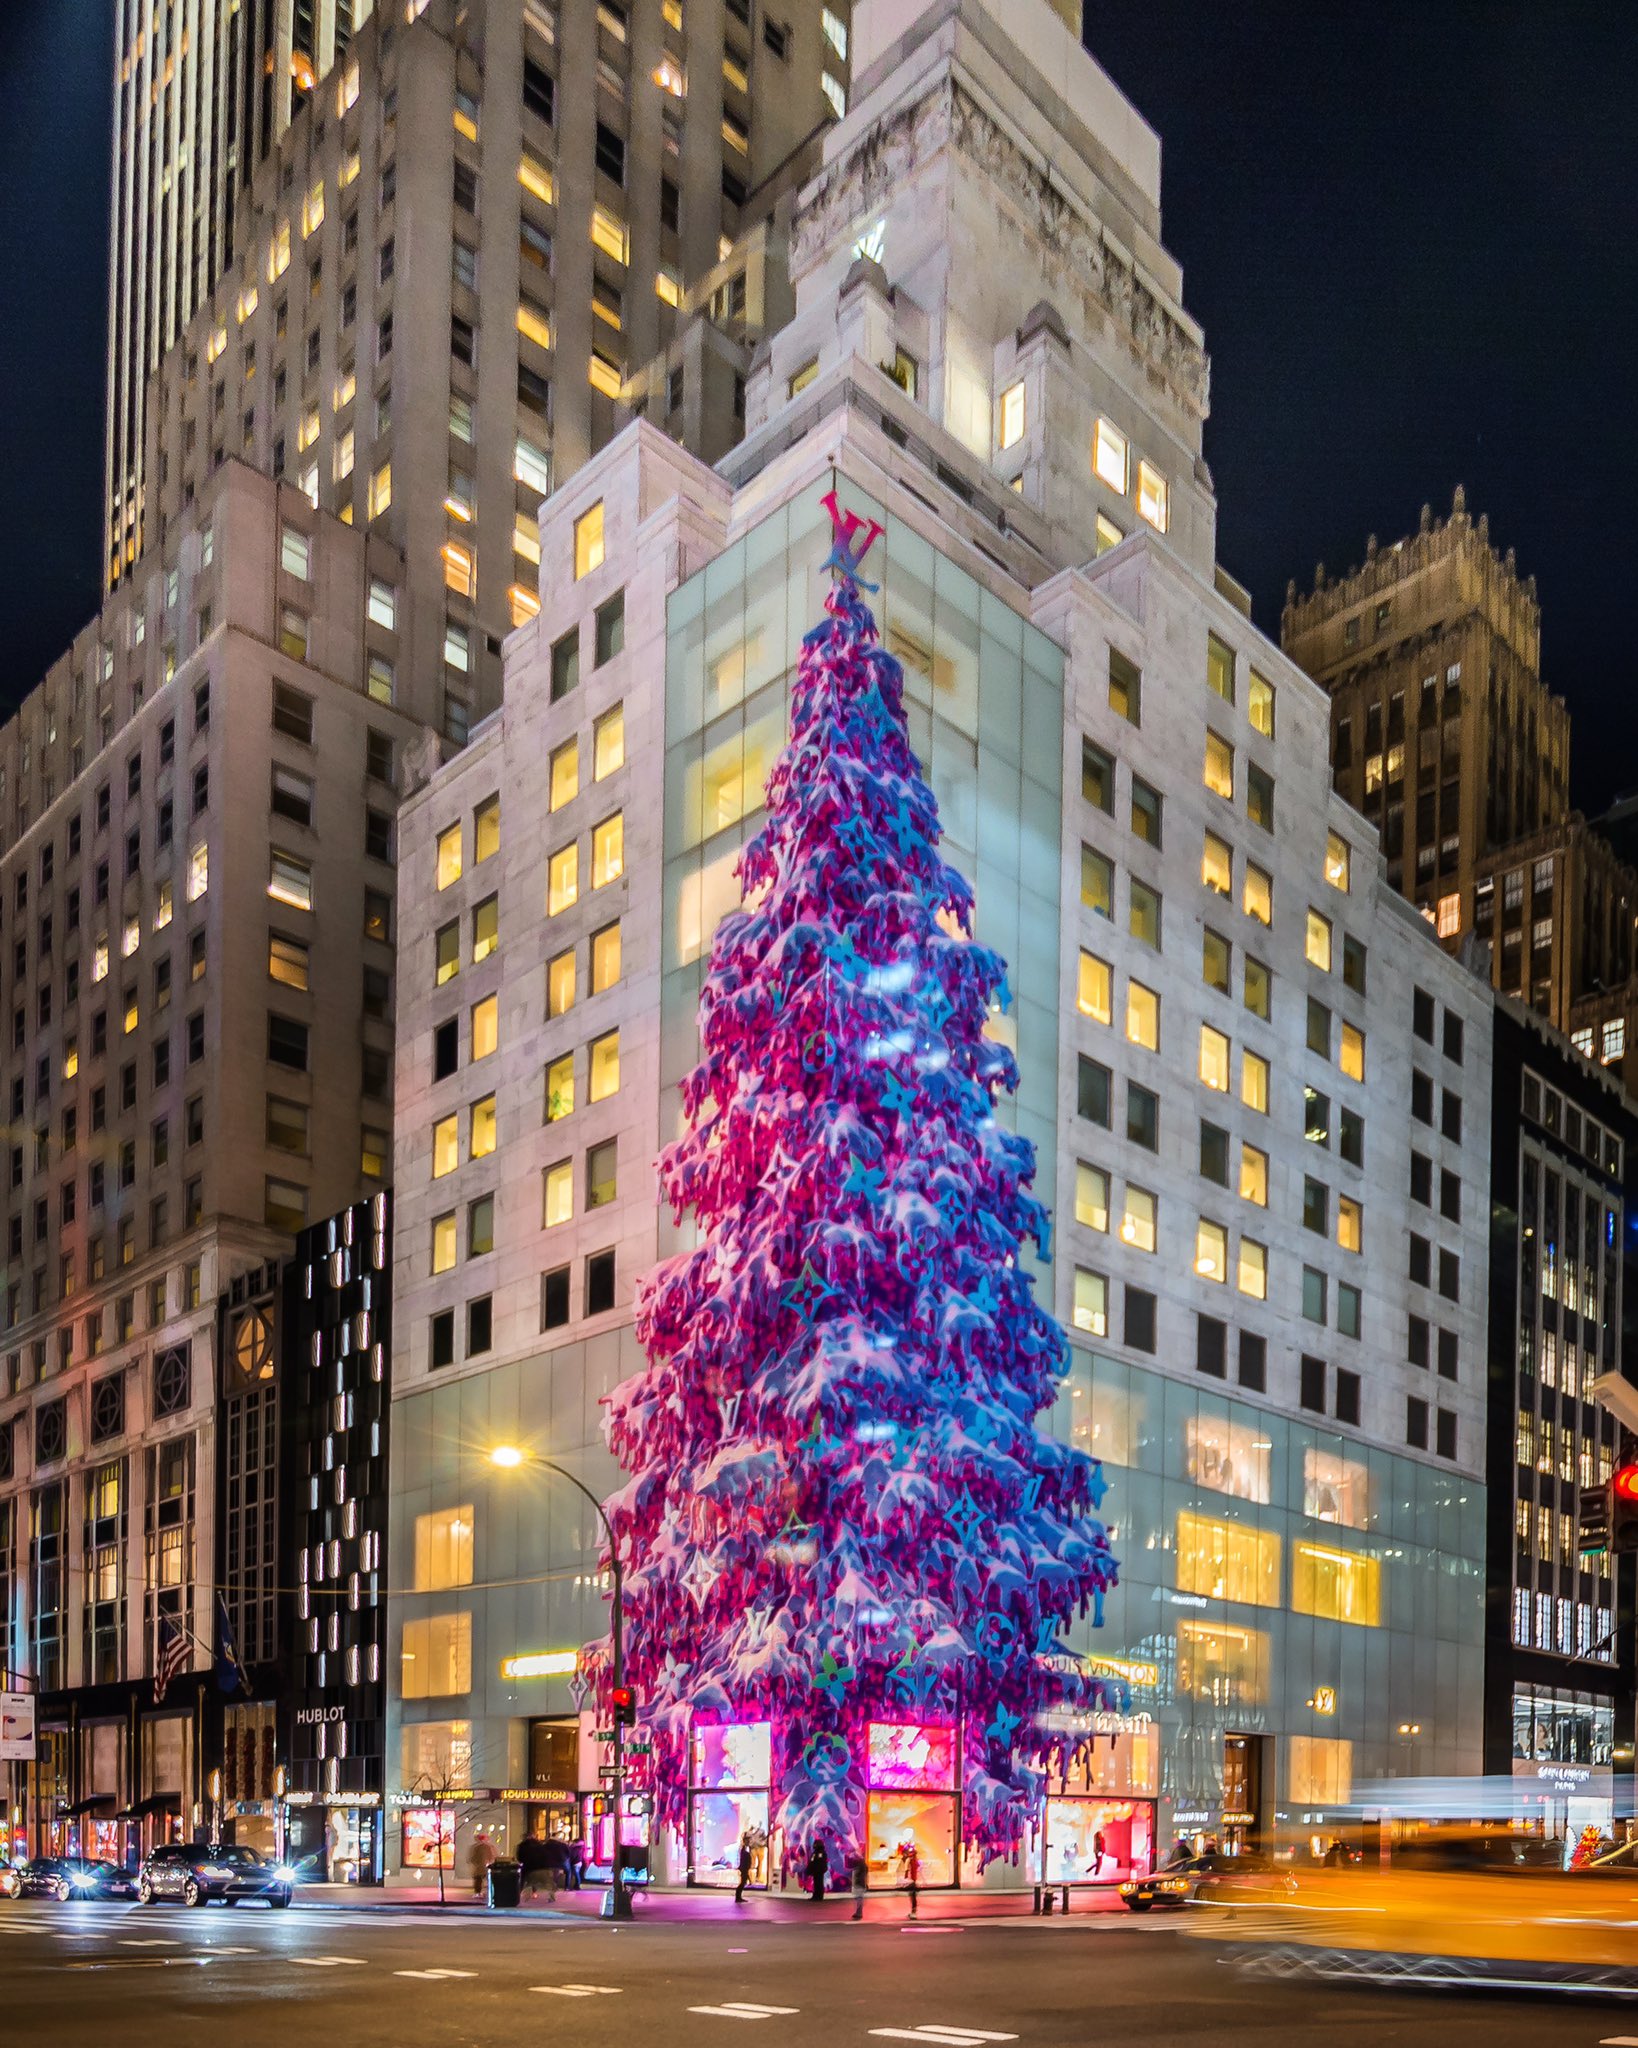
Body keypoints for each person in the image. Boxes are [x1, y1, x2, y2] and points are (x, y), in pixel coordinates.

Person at [469, 1828, 496, 1898]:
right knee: (488, 1879)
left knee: (478, 1880)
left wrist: (475, 1862)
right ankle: (489, 1892)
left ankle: (478, 1892)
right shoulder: (489, 1847)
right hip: (487, 1866)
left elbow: (472, 1858)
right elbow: (492, 1856)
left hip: (478, 1866)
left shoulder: (475, 1847)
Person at [897, 1839, 920, 1919]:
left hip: (911, 1881)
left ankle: (913, 1913)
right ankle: (913, 1912)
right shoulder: (914, 1860)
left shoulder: (909, 1860)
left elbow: (907, 1871)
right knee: (913, 1897)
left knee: (913, 1897)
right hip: (913, 1880)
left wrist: (905, 1880)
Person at [848, 1849, 868, 1921]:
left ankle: (859, 1913)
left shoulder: (860, 1864)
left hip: (859, 1883)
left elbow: (858, 1874)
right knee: (858, 1898)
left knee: (859, 1898)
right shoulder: (860, 1863)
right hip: (859, 1883)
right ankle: (858, 1912)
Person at [735, 1833, 754, 1905]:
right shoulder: (743, 1848)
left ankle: (739, 1897)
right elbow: (743, 1858)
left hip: (745, 1868)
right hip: (744, 1868)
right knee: (742, 1882)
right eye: (747, 1840)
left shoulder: (746, 1848)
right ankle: (738, 1897)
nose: (748, 1841)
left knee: (743, 1882)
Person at [807, 1839, 829, 1903]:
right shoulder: (815, 1852)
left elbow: (820, 1862)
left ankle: (819, 1896)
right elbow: (812, 1861)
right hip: (815, 1871)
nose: (814, 1845)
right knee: (816, 1884)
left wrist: (816, 1868)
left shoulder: (821, 1852)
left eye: (815, 1844)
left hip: (819, 1871)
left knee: (819, 1883)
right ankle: (815, 1896)